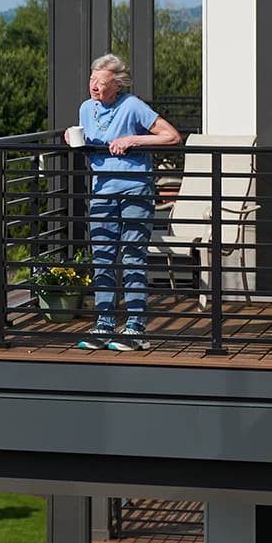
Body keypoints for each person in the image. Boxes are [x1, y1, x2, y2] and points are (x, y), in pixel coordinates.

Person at [68, 54, 181, 351]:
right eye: (91, 80)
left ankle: (136, 328)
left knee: (132, 256)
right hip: (101, 191)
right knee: (102, 257)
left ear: (116, 85)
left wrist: (134, 140)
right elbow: (91, 142)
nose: (94, 86)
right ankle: (104, 324)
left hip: (134, 190)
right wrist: (70, 135)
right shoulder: (86, 109)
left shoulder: (132, 106)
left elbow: (171, 137)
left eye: (101, 83)